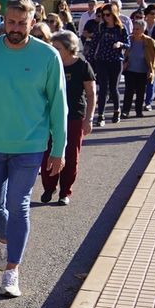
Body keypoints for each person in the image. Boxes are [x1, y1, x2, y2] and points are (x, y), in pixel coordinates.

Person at [0, 0, 67, 298]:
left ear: (33, 22)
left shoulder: (47, 56)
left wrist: (59, 148)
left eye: (21, 23)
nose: (15, 28)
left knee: (19, 205)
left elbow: (59, 104)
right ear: (3, 21)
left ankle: (11, 270)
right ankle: (7, 238)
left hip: (30, 146)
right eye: (10, 22)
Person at [40, 32, 95, 205]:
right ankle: (49, 188)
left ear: (69, 48)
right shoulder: (49, 64)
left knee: (70, 155)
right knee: (48, 153)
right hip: (49, 117)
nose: (53, 51)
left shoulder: (82, 66)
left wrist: (89, 119)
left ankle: (65, 191)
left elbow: (91, 94)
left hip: (74, 117)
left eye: (58, 48)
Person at [86, 5, 129, 127]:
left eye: (108, 15)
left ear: (114, 14)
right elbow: (94, 43)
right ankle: (100, 115)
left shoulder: (121, 29)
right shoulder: (101, 27)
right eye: (103, 15)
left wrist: (120, 44)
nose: (105, 17)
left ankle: (117, 111)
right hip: (102, 60)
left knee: (113, 87)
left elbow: (128, 44)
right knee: (103, 88)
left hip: (115, 60)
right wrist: (90, 59)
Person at [120, 19, 155, 119]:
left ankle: (138, 111)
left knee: (140, 92)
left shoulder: (150, 42)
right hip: (130, 70)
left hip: (143, 71)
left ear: (143, 30)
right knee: (129, 92)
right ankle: (125, 111)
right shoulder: (129, 39)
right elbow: (123, 53)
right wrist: (124, 63)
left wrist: (151, 70)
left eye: (138, 29)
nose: (135, 31)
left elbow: (154, 58)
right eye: (134, 29)